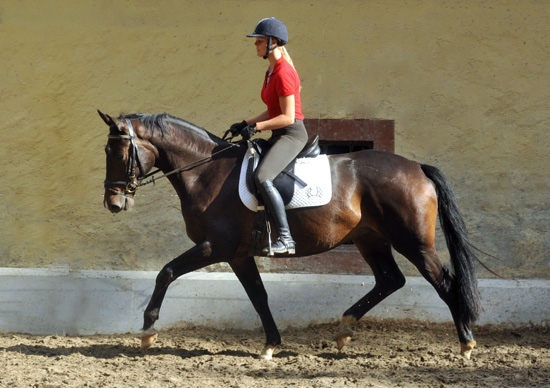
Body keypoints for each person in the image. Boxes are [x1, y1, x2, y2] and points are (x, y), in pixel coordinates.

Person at [229, 17, 308, 256]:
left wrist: (258, 127)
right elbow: (273, 109)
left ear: (273, 42)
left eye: (259, 41)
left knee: (263, 177)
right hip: (279, 132)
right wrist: (246, 122)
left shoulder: (284, 72)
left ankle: (286, 239)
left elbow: (287, 117)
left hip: (292, 134)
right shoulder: (270, 71)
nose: (256, 46)